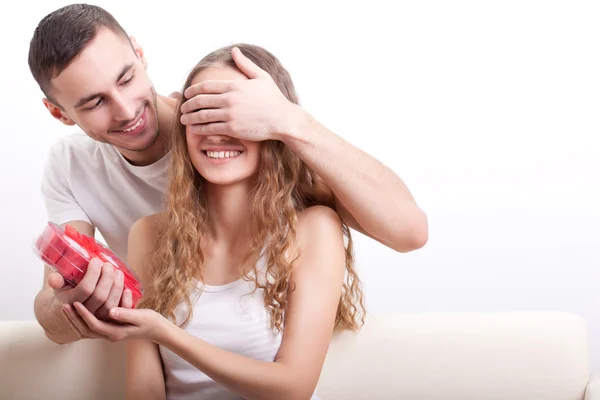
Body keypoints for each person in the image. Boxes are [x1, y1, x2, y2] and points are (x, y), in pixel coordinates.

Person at [28, 4, 427, 345]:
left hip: (269, 345)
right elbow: (51, 313)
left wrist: (291, 123)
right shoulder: (70, 166)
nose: (126, 110)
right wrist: (73, 304)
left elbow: (408, 231)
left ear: (139, 52)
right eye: (95, 102)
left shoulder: (224, 132)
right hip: (171, 356)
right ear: (59, 113)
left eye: (126, 78)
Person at [71, 44, 365, 399]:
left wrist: (164, 332)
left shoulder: (313, 229)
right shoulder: (148, 234)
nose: (215, 132)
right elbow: (144, 389)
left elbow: (293, 387)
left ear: (271, 126)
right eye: (201, 116)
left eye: (232, 115)